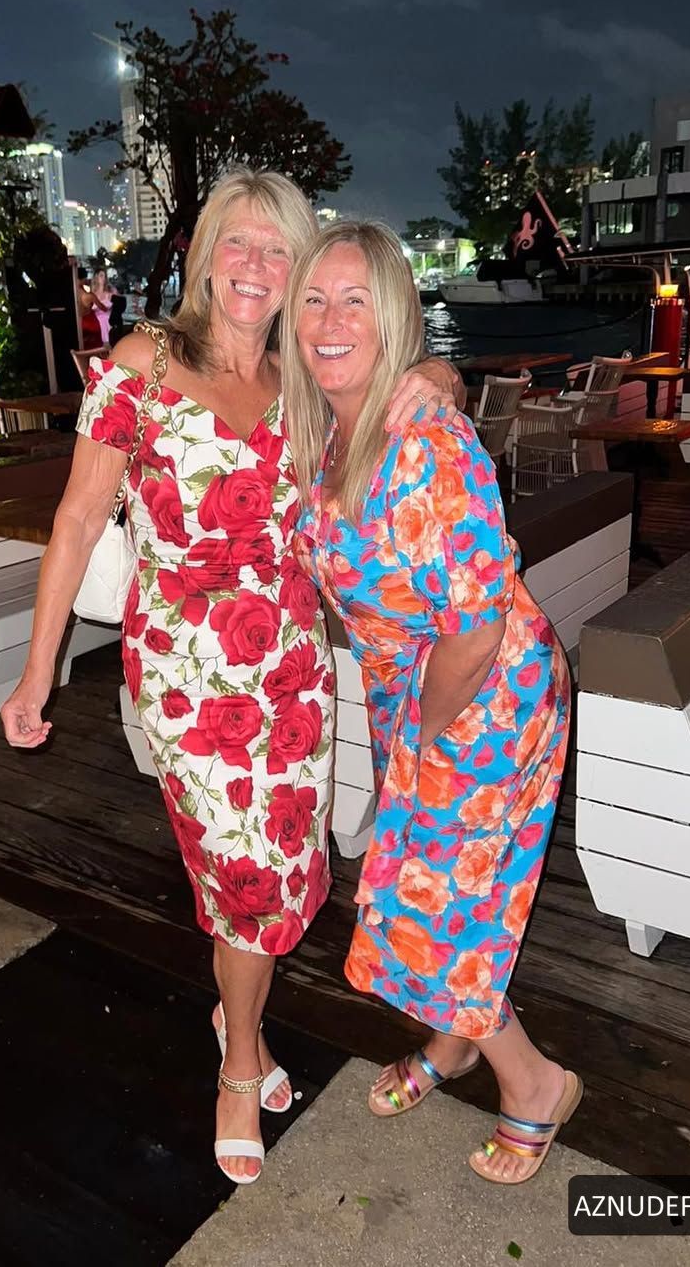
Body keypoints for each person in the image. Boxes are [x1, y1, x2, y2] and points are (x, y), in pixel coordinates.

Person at [0, 172, 463, 1186]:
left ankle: (231, 1011)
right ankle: (241, 1061)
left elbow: (404, 379)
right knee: (247, 881)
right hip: (188, 679)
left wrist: (443, 377)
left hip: (293, 670)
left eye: (276, 248)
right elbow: (77, 520)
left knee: (285, 878)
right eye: (237, 243)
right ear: (207, 254)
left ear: (296, 269)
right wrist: (37, 675)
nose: (254, 265)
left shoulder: (304, 378)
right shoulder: (145, 364)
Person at [284, 220, 579, 1187]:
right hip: (414, 691)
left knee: (436, 902)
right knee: (436, 884)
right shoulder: (330, 424)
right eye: (314, 300)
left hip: (485, 696)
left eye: (355, 301)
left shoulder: (427, 442)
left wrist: (423, 732)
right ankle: (453, 1044)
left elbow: (477, 627)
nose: (330, 321)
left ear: (394, 318)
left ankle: (535, 1082)